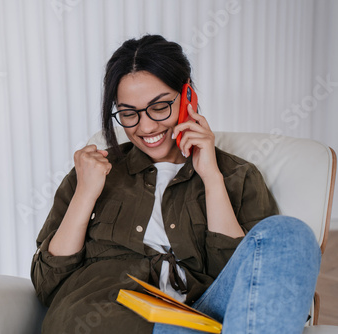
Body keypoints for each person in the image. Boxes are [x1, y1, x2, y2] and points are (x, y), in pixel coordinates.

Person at [31, 35, 321, 334]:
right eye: (128, 113)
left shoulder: (236, 175)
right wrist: (85, 193)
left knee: (290, 233)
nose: (146, 127)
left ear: (188, 98)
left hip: (206, 312)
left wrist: (211, 178)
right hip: (113, 316)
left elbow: (250, 284)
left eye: (159, 107)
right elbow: (47, 286)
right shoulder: (92, 171)